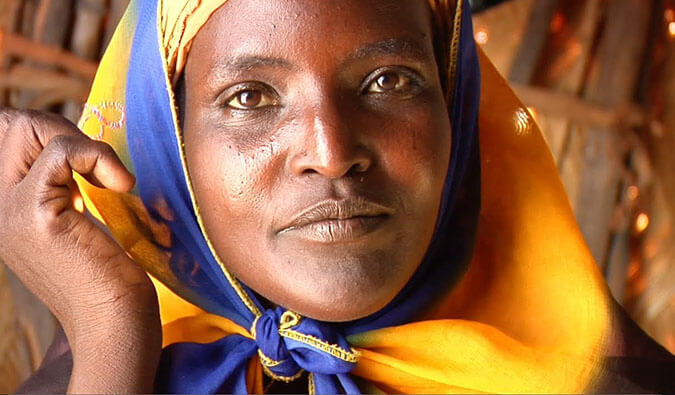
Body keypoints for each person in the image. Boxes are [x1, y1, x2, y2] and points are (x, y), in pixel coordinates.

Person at [0, 0, 673, 393]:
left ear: (456, 111)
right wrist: (111, 327)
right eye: (249, 98)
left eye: (388, 82)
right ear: (167, 146)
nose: (329, 151)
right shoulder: (107, 368)